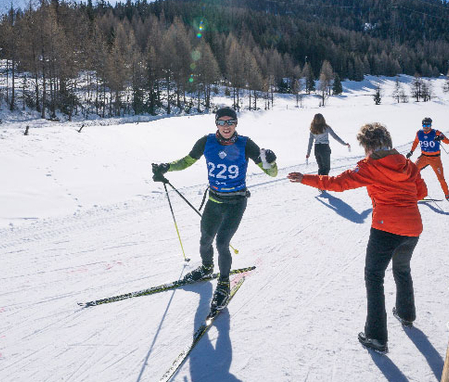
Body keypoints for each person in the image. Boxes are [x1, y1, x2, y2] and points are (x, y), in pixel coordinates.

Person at [287, 123, 427, 353]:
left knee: (374, 276)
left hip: (386, 229)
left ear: (368, 146)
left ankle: (376, 336)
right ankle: (406, 313)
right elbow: (422, 192)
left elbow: (337, 184)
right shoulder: (408, 165)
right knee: (402, 269)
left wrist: (306, 178)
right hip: (413, 228)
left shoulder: (370, 167)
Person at [151, 107, 278, 312]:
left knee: (221, 243)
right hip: (214, 200)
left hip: (236, 203)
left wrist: (270, 162)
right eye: (222, 122)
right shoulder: (206, 142)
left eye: (230, 122)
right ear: (216, 124)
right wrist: (167, 167)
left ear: (236, 124)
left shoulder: (246, 144)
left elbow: (272, 173)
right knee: (205, 239)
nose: (226, 126)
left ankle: (224, 282)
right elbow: (186, 161)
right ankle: (206, 268)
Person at [406, 117, 449, 198]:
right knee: (412, 172)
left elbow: (448, 142)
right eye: (424, 125)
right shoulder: (419, 133)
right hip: (424, 157)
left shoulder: (436, 132)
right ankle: (417, 193)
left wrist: (441, 138)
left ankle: (447, 195)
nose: (426, 127)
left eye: (428, 125)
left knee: (441, 178)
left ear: (431, 125)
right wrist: (411, 152)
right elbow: (416, 142)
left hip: (435, 159)